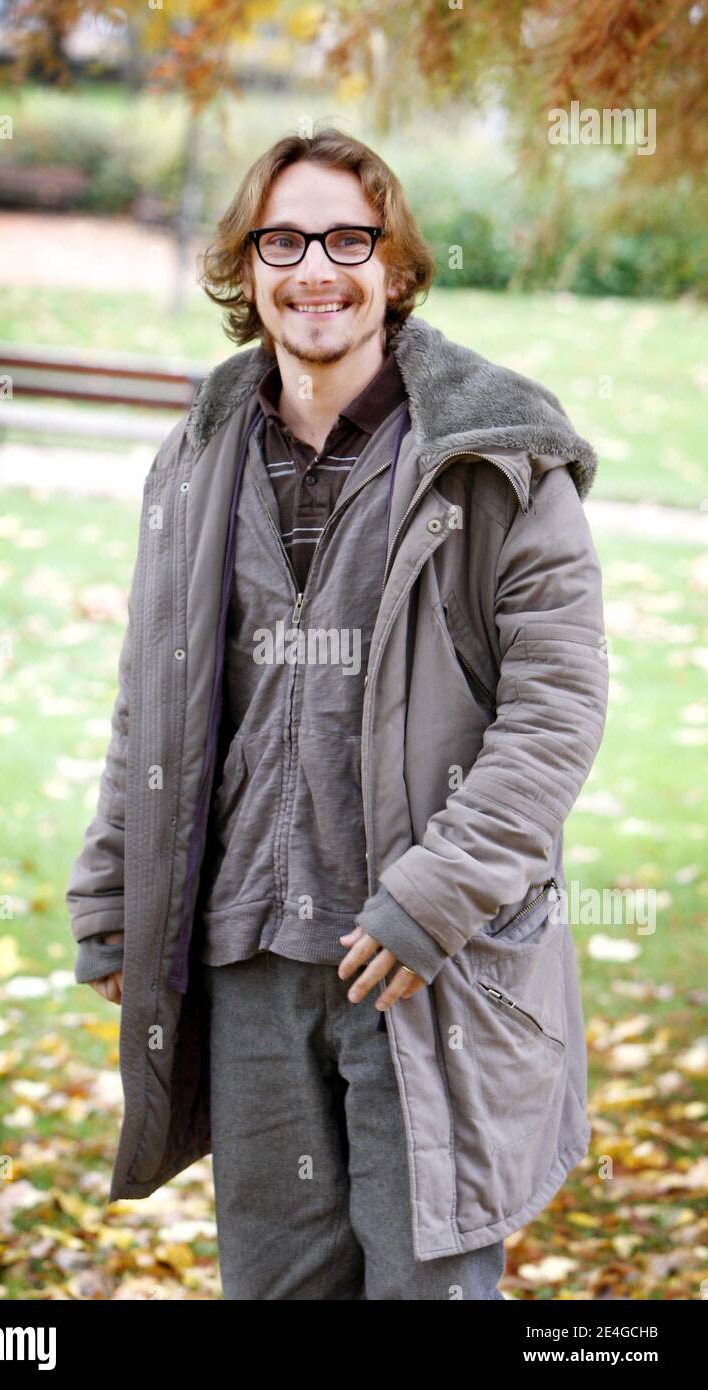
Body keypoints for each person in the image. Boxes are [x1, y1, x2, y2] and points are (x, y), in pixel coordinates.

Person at [67, 125, 608, 1300]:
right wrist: (115, 886)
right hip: (246, 951)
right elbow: (148, 698)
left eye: (347, 239)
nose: (316, 267)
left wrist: (433, 898)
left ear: (396, 267)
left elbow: (555, 715)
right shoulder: (198, 457)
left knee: (427, 1286)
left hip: (425, 965)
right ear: (247, 269)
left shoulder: (495, 459)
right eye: (283, 240)